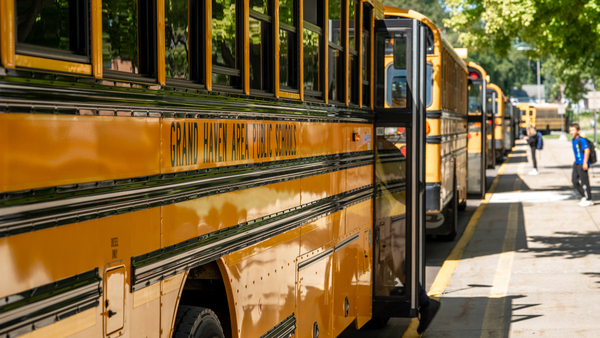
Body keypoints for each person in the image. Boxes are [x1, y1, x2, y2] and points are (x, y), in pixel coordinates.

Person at [569, 124, 593, 206]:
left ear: (578, 131)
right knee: (574, 181)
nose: (571, 132)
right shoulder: (573, 140)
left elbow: (587, 150)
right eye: (570, 130)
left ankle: (589, 199)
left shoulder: (581, 140)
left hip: (583, 163)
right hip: (576, 163)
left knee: (584, 182)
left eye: (573, 130)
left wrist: (585, 162)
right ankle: (584, 196)